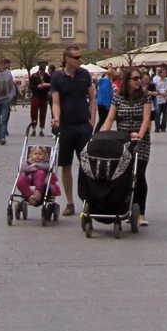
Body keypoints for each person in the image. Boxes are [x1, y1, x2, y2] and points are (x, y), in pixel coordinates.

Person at [102, 66, 152, 226]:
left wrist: (140, 135)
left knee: (139, 173)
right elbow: (110, 118)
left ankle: (141, 212)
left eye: (140, 78)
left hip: (140, 140)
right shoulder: (118, 97)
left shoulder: (145, 96)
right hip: (123, 139)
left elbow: (146, 119)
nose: (140, 81)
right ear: (127, 81)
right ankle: (123, 206)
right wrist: (104, 134)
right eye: (136, 78)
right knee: (123, 173)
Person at [50, 46, 96, 217]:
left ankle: (87, 200)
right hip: (66, 126)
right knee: (66, 165)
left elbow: (92, 98)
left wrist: (92, 121)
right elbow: (56, 102)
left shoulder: (84, 75)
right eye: (76, 58)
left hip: (83, 125)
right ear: (67, 59)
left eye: (80, 57)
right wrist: (56, 119)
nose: (80, 60)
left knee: (86, 164)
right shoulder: (57, 77)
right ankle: (69, 202)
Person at [0, 59, 15, 144]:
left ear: (4, 66)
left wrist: (10, 97)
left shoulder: (8, 75)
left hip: (5, 100)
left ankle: (3, 137)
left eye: (2, 65)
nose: (1, 67)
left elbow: (12, 87)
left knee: (4, 119)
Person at [29, 65, 50, 135]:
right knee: (34, 113)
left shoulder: (47, 76)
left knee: (43, 113)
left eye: (43, 71)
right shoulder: (34, 76)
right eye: (41, 71)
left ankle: (41, 129)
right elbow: (30, 86)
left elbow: (50, 86)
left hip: (43, 97)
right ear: (39, 70)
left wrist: (46, 85)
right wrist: (37, 87)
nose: (42, 72)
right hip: (36, 96)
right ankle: (34, 128)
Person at [153, 66, 167, 132]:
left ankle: (163, 127)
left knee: (165, 114)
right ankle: (157, 127)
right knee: (158, 113)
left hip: (166, 99)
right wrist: (161, 93)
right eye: (164, 73)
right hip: (158, 99)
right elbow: (155, 89)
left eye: (165, 73)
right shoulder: (156, 80)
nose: (165, 74)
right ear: (160, 74)